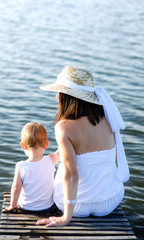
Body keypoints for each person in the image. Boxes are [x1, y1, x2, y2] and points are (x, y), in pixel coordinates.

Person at [36, 65, 130, 227]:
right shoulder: (108, 118)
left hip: (78, 207)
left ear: (68, 97)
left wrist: (66, 218)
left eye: (60, 91)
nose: (57, 95)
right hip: (109, 202)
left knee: (63, 169)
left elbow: (71, 175)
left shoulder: (63, 127)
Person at [5, 122, 59, 212]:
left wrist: (13, 205)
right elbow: (61, 151)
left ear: (23, 146)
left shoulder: (21, 166)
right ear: (46, 144)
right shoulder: (50, 159)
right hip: (48, 207)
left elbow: (16, 187)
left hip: (26, 206)